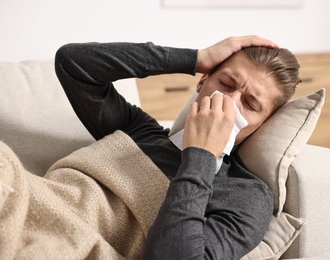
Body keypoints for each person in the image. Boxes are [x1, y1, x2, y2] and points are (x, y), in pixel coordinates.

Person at [54, 35, 300, 259]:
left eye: (249, 103)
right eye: (225, 83)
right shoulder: (138, 129)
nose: (228, 103)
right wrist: (195, 59)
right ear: (203, 81)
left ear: (261, 126)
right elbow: (72, 62)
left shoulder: (246, 195)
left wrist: (201, 155)